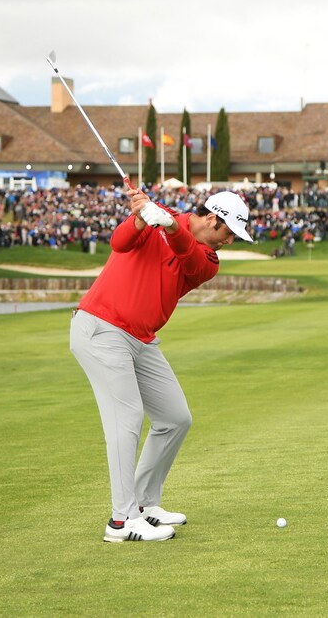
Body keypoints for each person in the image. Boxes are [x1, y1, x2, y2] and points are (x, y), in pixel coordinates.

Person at [70, 188, 253, 542]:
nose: (230, 240)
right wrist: (139, 218)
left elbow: (189, 258)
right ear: (212, 218)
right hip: (102, 326)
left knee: (175, 418)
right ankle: (121, 522)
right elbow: (119, 243)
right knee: (127, 418)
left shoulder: (208, 259)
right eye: (228, 232)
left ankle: (144, 503)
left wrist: (168, 224)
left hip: (141, 338)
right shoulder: (155, 218)